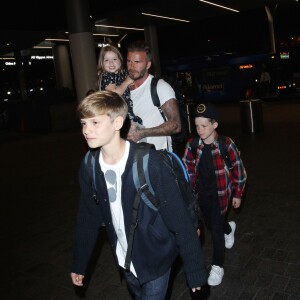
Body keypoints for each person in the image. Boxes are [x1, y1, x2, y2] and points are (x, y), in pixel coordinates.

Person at [70, 91, 208, 299]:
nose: (86, 130)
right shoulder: (89, 166)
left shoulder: (148, 162)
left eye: (95, 123)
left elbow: (179, 219)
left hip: (156, 257)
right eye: (83, 123)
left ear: (117, 122)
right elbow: (88, 217)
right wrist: (80, 263)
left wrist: (195, 268)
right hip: (125, 260)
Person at [182, 103, 247, 286]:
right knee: (210, 224)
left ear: (215, 125)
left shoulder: (226, 145)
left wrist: (238, 194)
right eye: (196, 126)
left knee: (215, 230)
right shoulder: (193, 144)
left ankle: (217, 266)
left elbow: (239, 171)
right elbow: (187, 169)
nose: (200, 130)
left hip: (221, 195)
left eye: (204, 126)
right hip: (201, 195)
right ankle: (229, 228)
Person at [126, 40, 181, 151]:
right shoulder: (123, 90)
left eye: (137, 62)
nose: (131, 66)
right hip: (132, 157)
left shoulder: (160, 87)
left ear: (148, 64)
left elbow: (176, 125)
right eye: (128, 61)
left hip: (157, 158)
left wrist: (143, 133)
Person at [97, 45, 142, 125]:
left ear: (120, 61)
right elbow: (114, 94)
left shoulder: (123, 73)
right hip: (115, 114)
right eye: (106, 60)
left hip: (127, 113)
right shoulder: (107, 75)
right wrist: (126, 82)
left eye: (114, 59)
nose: (111, 63)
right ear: (102, 63)